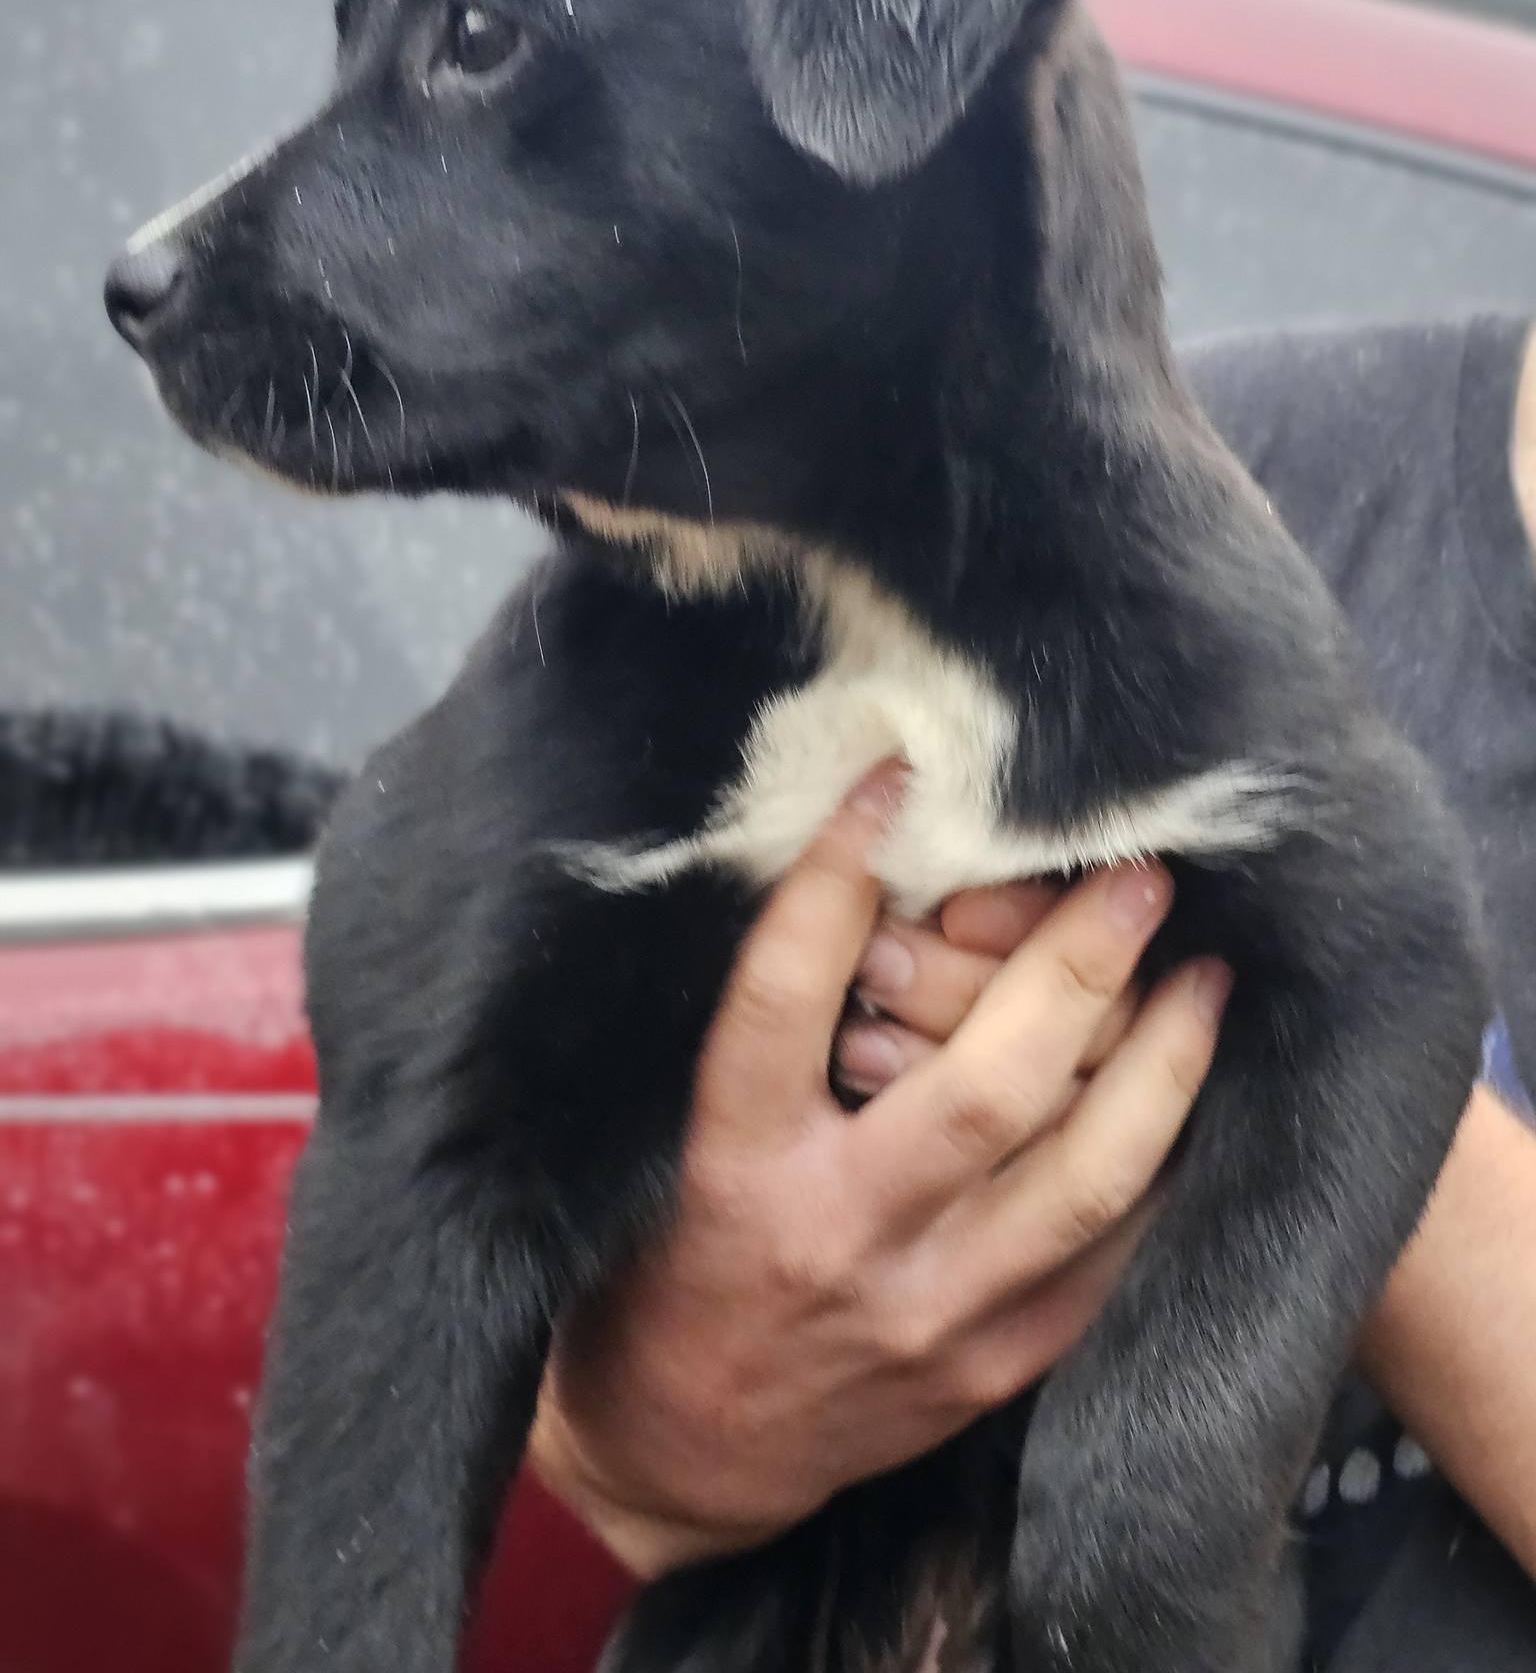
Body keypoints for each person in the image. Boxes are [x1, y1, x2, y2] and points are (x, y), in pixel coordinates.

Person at [526, 314, 1536, 1671]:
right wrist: (663, 1409)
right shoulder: (1176, 452)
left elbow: (1282, 1003)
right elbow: (594, 1423)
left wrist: (1301, 1043)